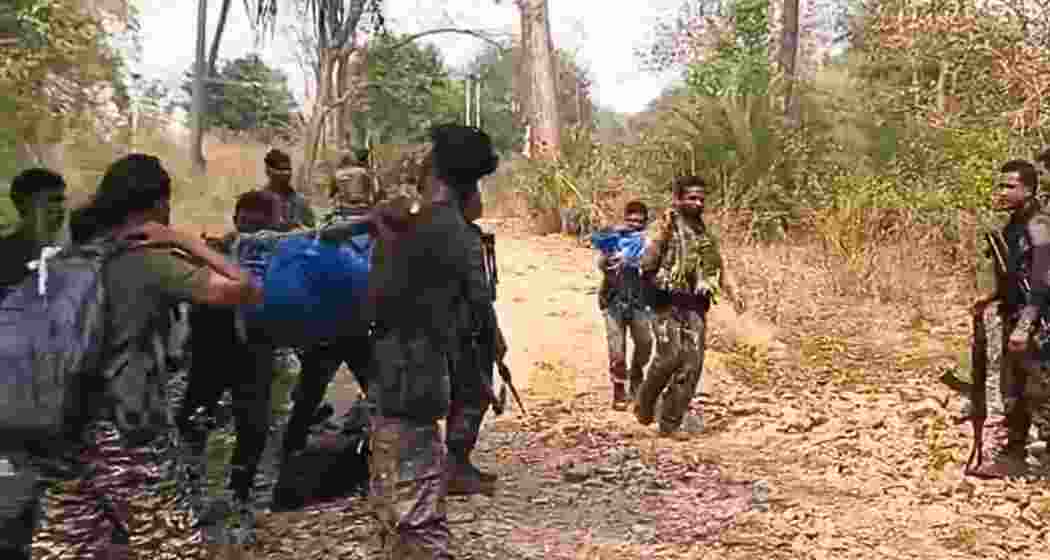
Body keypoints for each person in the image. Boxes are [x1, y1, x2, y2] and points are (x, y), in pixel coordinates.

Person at [29, 153, 262, 559]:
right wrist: (184, 241)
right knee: (171, 547)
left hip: (58, 427)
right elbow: (246, 289)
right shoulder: (150, 260)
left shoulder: (66, 259)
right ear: (158, 204)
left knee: (68, 546)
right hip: (127, 432)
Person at [366, 124, 497, 559]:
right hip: (414, 371)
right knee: (403, 497)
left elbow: (383, 298)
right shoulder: (444, 226)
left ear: (438, 166)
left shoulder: (430, 226)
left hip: (408, 374)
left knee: (411, 504)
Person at [173, 189, 284, 542]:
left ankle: (236, 497)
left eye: (261, 224)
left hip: (251, 355)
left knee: (250, 427)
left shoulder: (281, 257)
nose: (253, 231)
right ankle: (194, 495)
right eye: (247, 222)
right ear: (236, 220)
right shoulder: (217, 254)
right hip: (215, 352)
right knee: (200, 420)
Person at [633, 176, 745, 436]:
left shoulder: (704, 233)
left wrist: (734, 291)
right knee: (669, 357)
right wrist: (662, 234)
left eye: (701, 199)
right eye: (692, 198)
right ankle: (645, 403)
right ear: (678, 199)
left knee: (692, 364)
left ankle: (670, 422)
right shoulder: (664, 226)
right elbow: (646, 263)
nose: (698, 203)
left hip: (694, 304)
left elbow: (719, 265)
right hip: (665, 302)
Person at [280, 164, 376, 462]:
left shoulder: (325, 228)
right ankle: (386, 451)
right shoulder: (379, 226)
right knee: (378, 392)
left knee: (309, 394)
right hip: (360, 325)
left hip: (328, 325)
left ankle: (291, 451)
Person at [971, 159, 1050, 478]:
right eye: (1000, 185)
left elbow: (1042, 280)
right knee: (1013, 389)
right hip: (1016, 315)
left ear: (1028, 190)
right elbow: (1017, 275)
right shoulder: (1014, 225)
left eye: (1009, 186)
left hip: (1037, 322)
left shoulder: (1039, 226)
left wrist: (1024, 325)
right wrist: (990, 297)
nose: (1001, 191)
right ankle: (1013, 456)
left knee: (1040, 392)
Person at [446, 180, 507, 496]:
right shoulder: (464, 236)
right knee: (473, 395)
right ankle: (455, 467)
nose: (481, 202)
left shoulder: (445, 232)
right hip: (467, 329)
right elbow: (479, 295)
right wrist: (492, 333)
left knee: (462, 395)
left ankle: (458, 465)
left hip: (451, 328)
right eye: (477, 196)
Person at [597, 200, 654, 410]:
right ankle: (619, 389)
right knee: (616, 351)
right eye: (631, 220)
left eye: (639, 221)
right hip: (613, 302)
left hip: (640, 303)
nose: (634, 224)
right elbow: (601, 263)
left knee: (645, 343)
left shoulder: (649, 243)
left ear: (645, 222)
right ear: (625, 219)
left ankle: (636, 374)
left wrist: (634, 259)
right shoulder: (614, 239)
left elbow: (651, 264)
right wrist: (610, 259)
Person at [0, 168, 67, 293]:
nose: (60, 208)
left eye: (61, 200)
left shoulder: (70, 252)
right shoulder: (5, 255)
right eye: (52, 200)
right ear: (24, 204)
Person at [262, 148, 316, 230]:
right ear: (268, 172)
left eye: (288, 169)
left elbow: (313, 230)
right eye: (280, 169)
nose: (286, 173)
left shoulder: (300, 202)